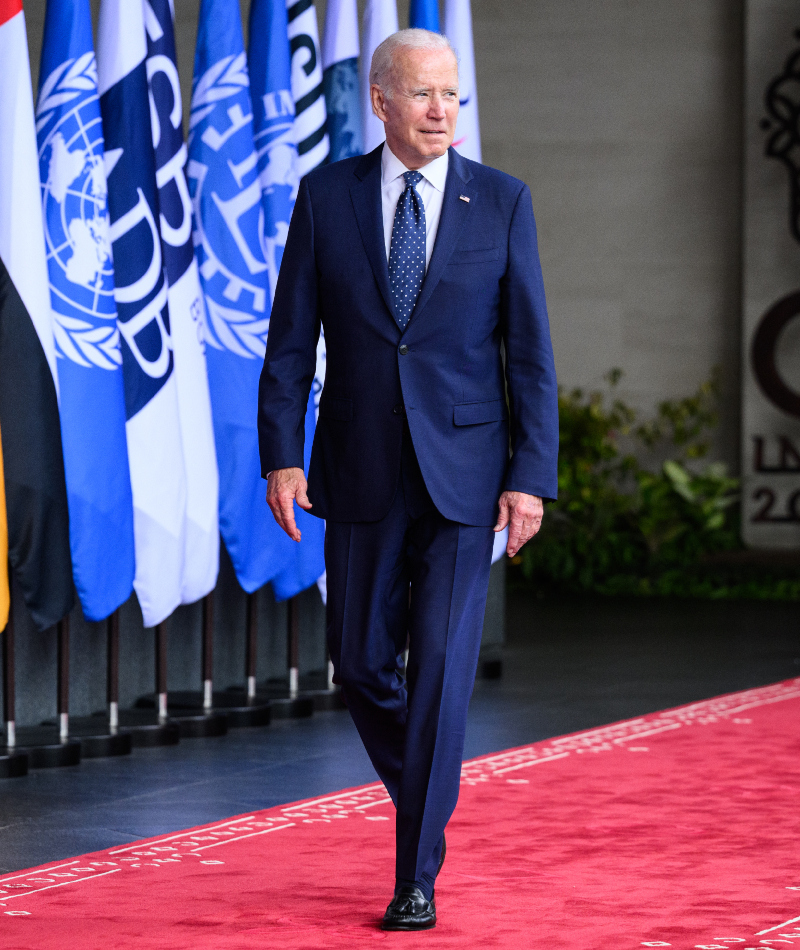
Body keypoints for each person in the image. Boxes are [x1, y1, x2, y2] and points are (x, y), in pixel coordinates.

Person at [258, 28, 558, 931]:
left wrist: (530, 478)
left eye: (452, 96)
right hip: (354, 471)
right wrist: (282, 453)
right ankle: (429, 784)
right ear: (380, 100)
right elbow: (288, 342)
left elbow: (531, 356)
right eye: (423, 95)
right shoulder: (326, 198)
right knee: (357, 664)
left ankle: (414, 877)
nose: (441, 112)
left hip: (468, 480)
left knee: (438, 676)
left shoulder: (501, 201)